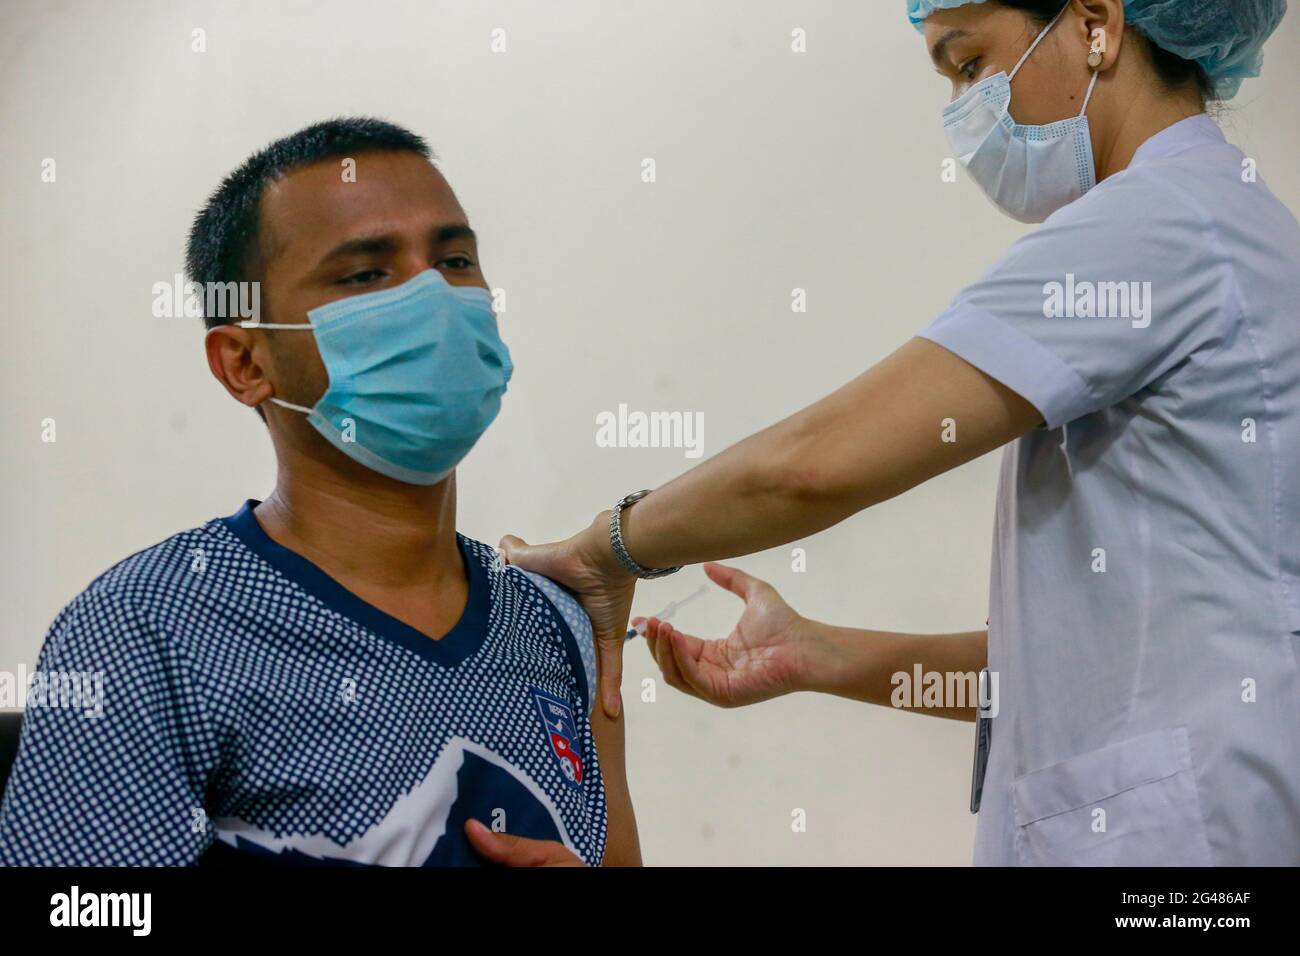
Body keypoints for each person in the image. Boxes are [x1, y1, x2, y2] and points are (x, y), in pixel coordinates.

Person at [494, 0, 1300, 866]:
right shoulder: (1225, 225)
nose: (962, 111)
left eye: (969, 63)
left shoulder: (1157, 228)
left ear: (1097, 22)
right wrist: (817, 655)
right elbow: (1084, 661)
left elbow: (810, 469)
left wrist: (608, 549)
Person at [0, 118, 639, 867]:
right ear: (245, 361)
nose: (433, 296)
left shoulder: (556, 622)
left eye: (455, 259)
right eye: (366, 275)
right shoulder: (147, 629)